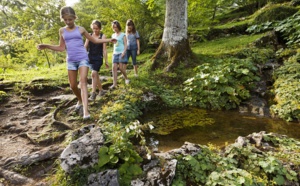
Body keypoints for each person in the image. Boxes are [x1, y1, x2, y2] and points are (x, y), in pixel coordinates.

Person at [37, 6, 115, 120]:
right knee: (73, 86)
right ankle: (79, 99)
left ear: (74, 18)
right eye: (65, 20)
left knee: (83, 82)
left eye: (70, 19)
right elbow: (61, 48)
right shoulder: (62, 31)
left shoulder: (81, 29)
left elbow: (95, 40)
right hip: (71, 60)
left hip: (83, 58)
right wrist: (46, 46)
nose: (68, 22)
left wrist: (109, 40)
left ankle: (86, 111)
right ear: (62, 19)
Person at [84, 20, 109, 101]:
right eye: (94, 28)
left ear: (100, 28)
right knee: (95, 74)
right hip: (90, 57)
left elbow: (104, 50)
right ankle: (101, 90)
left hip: (98, 58)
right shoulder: (89, 35)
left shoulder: (103, 36)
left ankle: (93, 93)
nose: (95, 30)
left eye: (97, 28)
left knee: (93, 73)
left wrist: (106, 61)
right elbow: (85, 46)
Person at [110, 20, 130, 89]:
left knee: (121, 68)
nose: (115, 29)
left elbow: (126, 44)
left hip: (121, 53)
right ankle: (114, 84)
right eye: (114, 27)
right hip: (115, 53)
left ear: (118, 27)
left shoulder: (123, 34)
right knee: (114, 68)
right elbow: (114, 45)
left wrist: (124, 52)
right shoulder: (113, 35)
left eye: (116, 27)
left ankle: (126, 78)